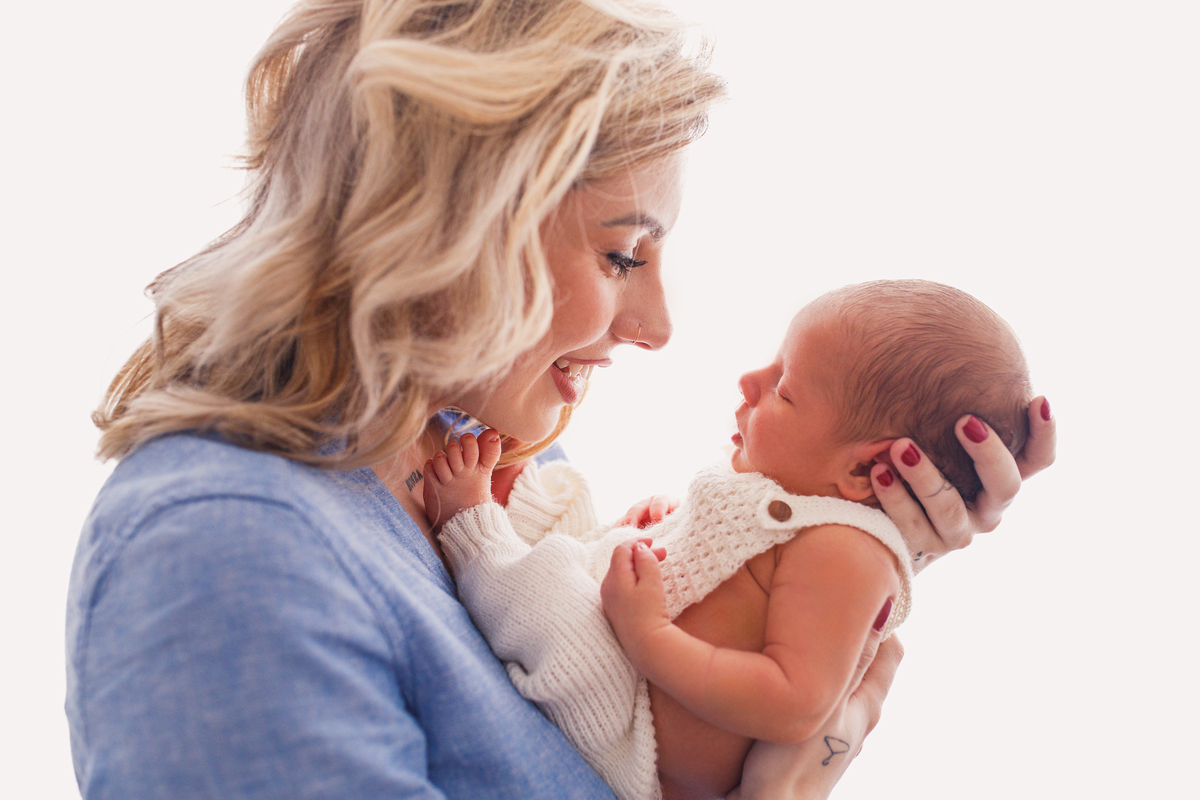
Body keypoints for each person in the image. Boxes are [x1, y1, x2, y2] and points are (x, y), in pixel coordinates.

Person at [65, 1, 1055, 799]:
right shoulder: (223, 551)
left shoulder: (501, 456)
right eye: (624, 254)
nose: (660, 325)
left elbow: (659, 694)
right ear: (446, 227)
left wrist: (862, 531)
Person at [420, 279, 1045, 800]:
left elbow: (794, 702)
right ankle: (515, 495)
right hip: (635, 662)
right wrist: (669, 526)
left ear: (861, 472)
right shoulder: (801, 501)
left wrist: (652, 637)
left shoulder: (850, 550)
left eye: (785, 388)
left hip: (636, 735)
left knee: (551, 592)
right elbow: (734, 580)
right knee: (575, 504)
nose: (750, 381)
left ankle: (474, 530)